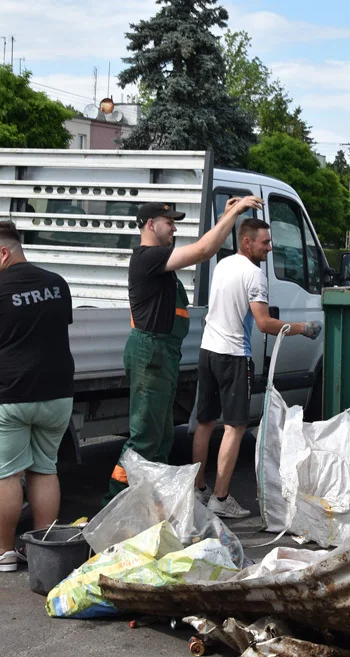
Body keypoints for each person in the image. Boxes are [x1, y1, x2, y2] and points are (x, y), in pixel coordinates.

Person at [104, 195, 263, 504]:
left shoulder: (158, 258)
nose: (174, 229)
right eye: (169, 223)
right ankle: (114, 503)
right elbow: (205, 249)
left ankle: (149, 505)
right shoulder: (148, 257)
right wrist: (234, 215)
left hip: (161, 356)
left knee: (162, 437)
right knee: (145, 438)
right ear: (150, 225)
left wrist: (226, 216)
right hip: (151, 354)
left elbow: (204, 246)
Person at [192, 217, 321, 518]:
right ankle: (221, 499)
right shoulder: (254, 275)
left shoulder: (223, 265)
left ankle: (198, 489)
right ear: (247, 242)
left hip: (207, 351)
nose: (270, 247)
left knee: (205, 423)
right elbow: (264, 323)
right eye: (265, 242)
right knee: (235, 428)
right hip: (233, 356)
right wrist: (304, 327)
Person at [0, 220, 75, 572]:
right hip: (56, 393)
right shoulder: (57, 285)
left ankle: (4, 553)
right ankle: (40, 550)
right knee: (44, 469)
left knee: (6, 475)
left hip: (7, 395)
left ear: (4, 251)